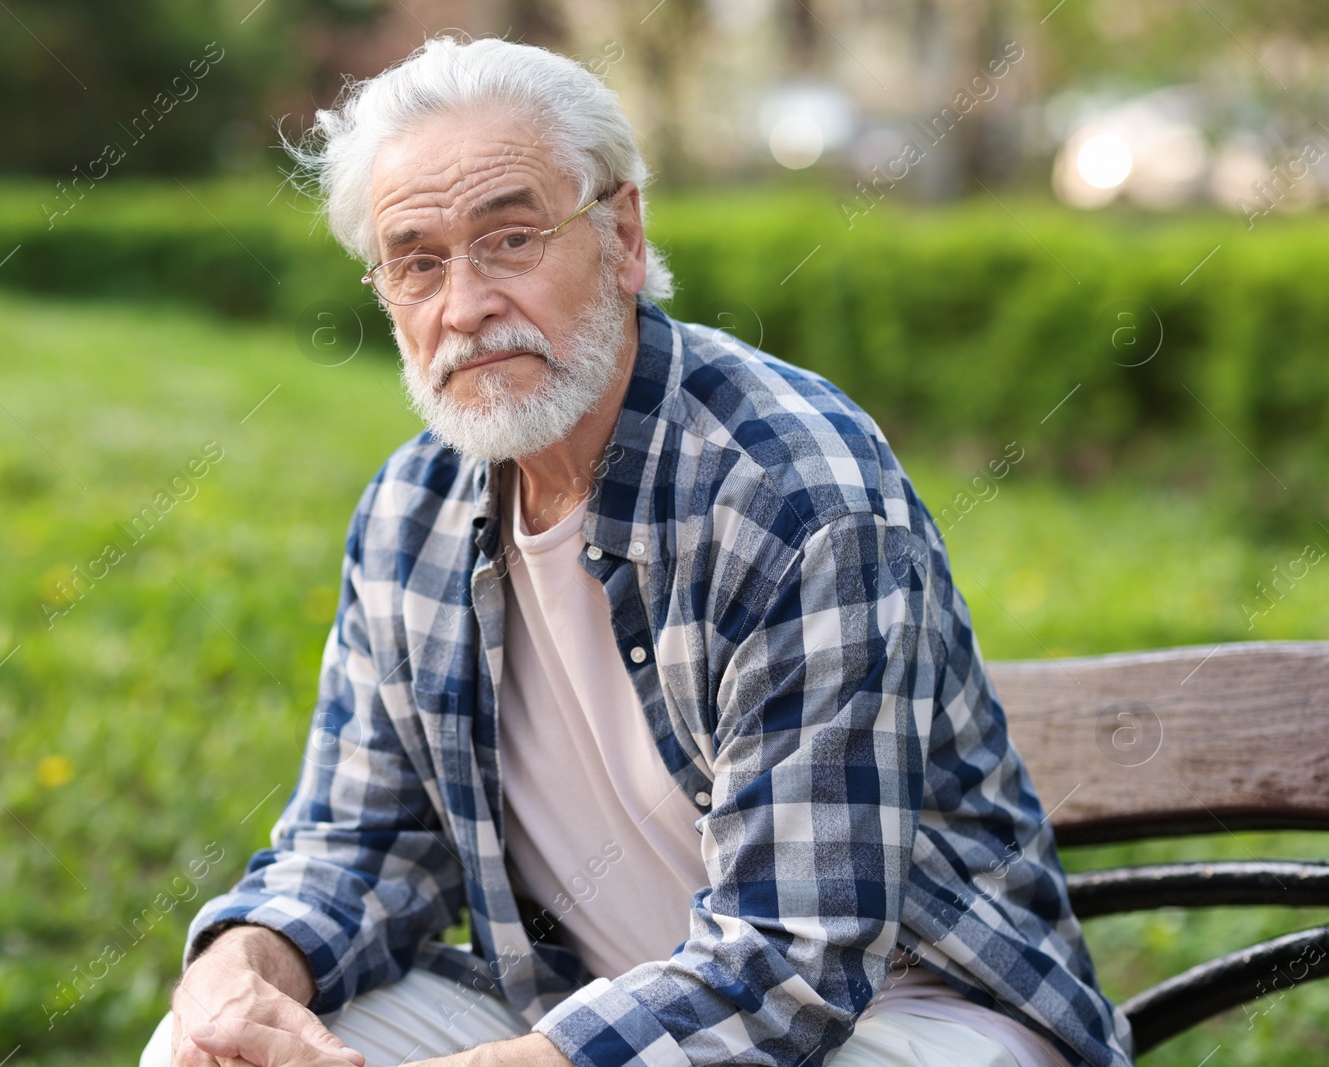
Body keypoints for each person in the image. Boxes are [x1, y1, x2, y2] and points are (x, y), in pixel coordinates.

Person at [143, 34, 1135, 1067]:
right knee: (205, 1047)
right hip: (593, 1007)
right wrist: (240, 959)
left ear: (621, 233)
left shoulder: (794, 494)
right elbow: (360, 844)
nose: (465, 305)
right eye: (418, 262)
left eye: (511, 238)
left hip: (906, 1013)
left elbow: (795, 962)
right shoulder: (407, 514)